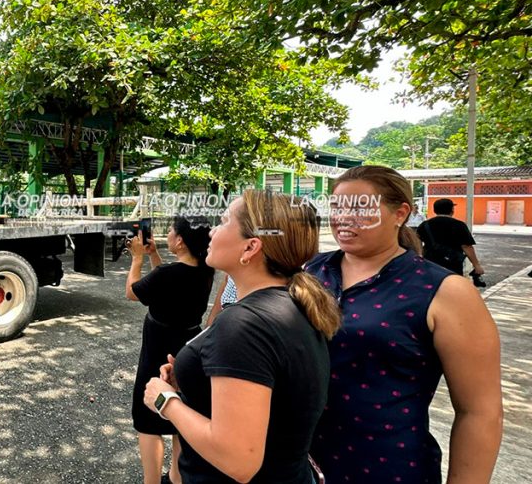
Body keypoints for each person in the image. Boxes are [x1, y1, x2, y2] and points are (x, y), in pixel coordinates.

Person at [306, 165, 502, 483]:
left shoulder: (444, 290)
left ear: (400, 214)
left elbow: (480, 412)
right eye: (338, 207)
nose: (343, 218)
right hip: (299, 465)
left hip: (388, 467)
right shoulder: (312, 271)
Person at [144, 190, 341, 483]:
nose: (212, 230)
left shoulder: (245, 325)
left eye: (224, 222)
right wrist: (196, 383)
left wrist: (165, 401)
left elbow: (238, 460)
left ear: (250, 248)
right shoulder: (292, 304)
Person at [126, 217, 214, 484]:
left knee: (147, 419)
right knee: (180, 412)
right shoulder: (204, 270)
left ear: (180, 241)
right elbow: (166, 280)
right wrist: (154, 255)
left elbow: (132, 292)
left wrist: (137, 258)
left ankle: (151, 481)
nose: (169, 234)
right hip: (186, 347)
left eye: (173, 231)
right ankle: (177, 478)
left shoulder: (168, 275)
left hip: (158, 349)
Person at [417, 198, 485, 279]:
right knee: (452, 286)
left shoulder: (425, 225)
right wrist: (476, 265)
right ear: (452, 210)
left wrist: (420, 257)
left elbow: (417, 242)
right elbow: (467, 247)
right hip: (453, 263)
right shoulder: (459, 225)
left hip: (430, 263)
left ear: (434, 210)